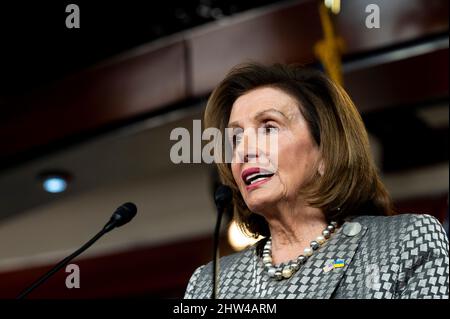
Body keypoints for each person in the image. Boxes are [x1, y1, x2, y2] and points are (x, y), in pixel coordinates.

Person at [184, 63, 449, 299]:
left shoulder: (405, 243)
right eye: (236, 138)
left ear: (325, 152)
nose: (243, 150)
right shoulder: (209, 285)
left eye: (268, 127)